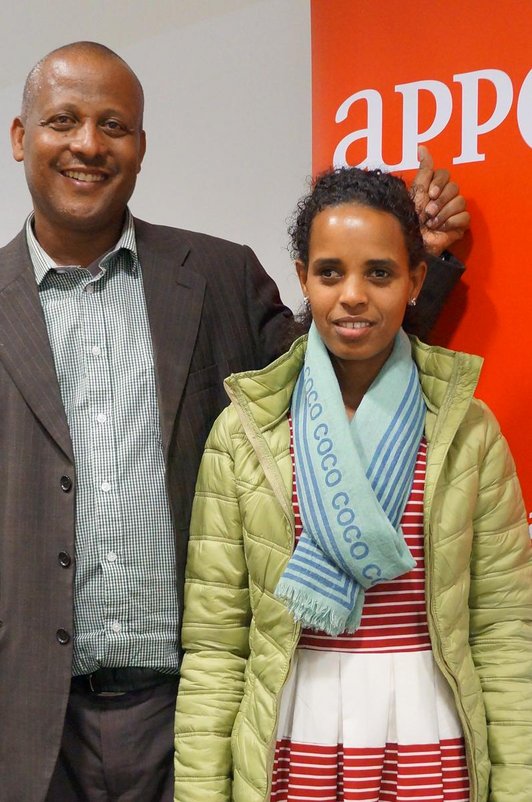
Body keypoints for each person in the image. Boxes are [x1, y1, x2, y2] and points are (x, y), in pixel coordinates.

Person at [0, 40, 468, 802]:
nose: (88, 143)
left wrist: (421, 260)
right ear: (22, 137)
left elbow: (336, 379)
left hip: (189, 707)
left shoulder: (216, 276)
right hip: (23, 721)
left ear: (141, 147)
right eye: (63, 120)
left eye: (113, 125)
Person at [174, 167, 532, 802]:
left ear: (417, 280)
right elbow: (217, 648)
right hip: (294, 730)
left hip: (430, 732)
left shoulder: (466, 430)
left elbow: (504, 634)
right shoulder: (245, 433)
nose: (354, 296)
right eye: (331, 272)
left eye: (381, 273)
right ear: (302, 278)